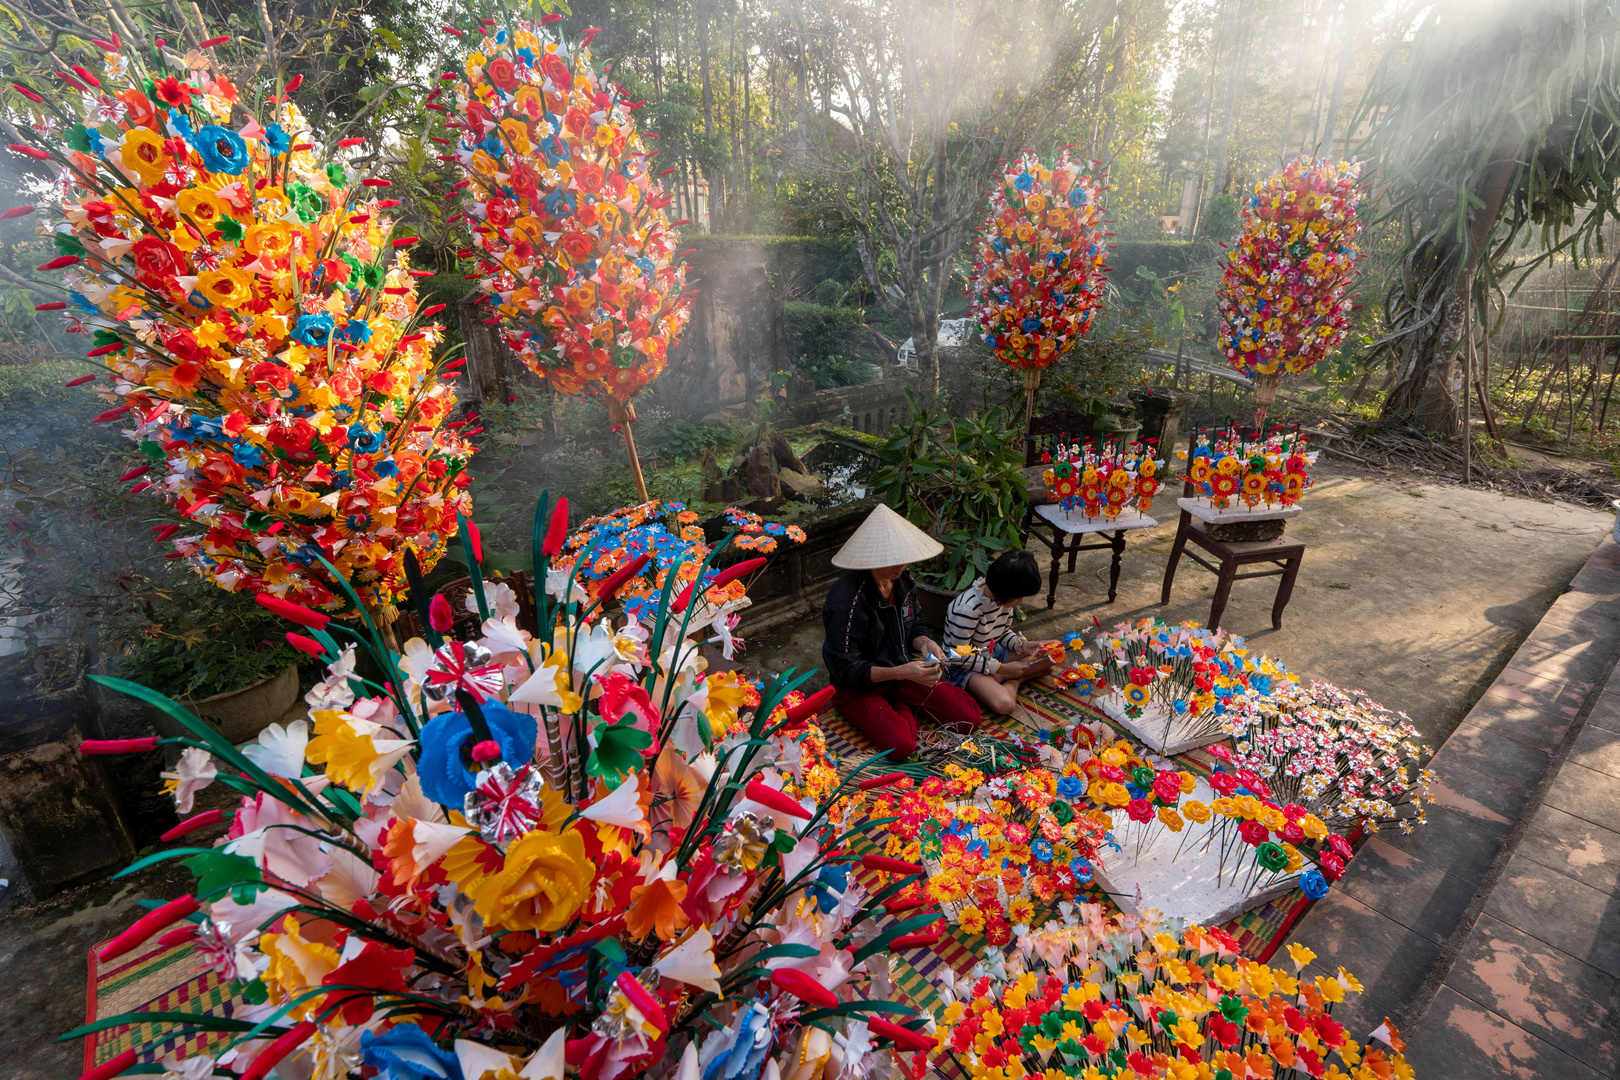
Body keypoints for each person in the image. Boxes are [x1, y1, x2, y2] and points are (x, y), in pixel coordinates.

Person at [821, 503, 982, 760]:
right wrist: (903, 673)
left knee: (968, 719)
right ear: (871, 559)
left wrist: (925, 643)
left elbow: (915, 623)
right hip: (860, 687)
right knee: (902, 745)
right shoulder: (847, 599)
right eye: (891, 561)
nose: (900, 566)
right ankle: (902, 705)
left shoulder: (903, 580)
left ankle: (902, 702)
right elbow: (845, 668)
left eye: (903, 559)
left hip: (901, 672)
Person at [940, 549, 1063, 715]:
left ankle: (1005, 677)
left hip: (992, 653)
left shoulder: (1002, 601)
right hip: (966, 667)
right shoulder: (968, 609)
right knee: (1005, 704)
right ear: (1007, 592)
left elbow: (1002, 632)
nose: (1021, 601)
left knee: (1056, 650)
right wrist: (1002, 669)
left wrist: (1022, 645)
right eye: (1019, 597)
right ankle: (1017, 679)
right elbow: (957, 657)